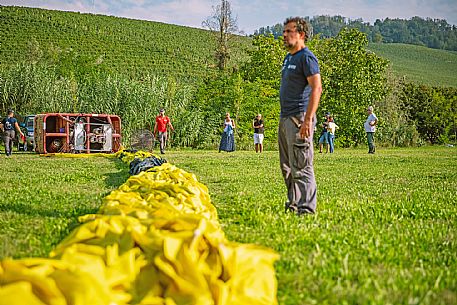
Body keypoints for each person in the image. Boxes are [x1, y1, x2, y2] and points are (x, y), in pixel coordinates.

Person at [279, 16, 322, 216]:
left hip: (299, 117)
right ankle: (293, 204)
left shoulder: (307, 57)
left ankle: (306, 209)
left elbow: (317, 88)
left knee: (301, 165)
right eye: (284, 32)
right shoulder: (289, 58)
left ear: (301, 35)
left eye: (289, 32)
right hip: (285, 118)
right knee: (287, 166)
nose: (285, 35)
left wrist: (307, 120)